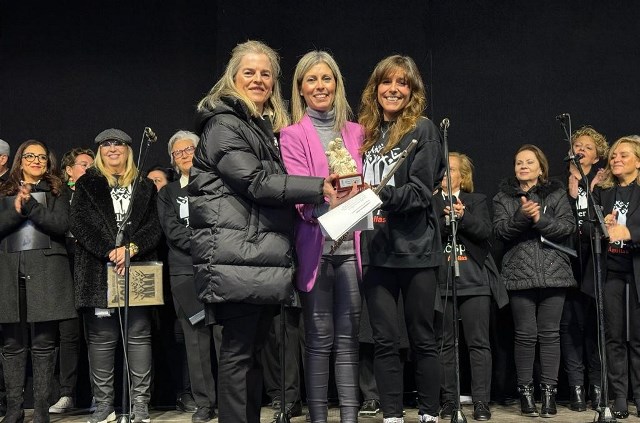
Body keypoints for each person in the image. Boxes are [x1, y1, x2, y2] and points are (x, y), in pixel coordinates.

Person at [187, 40, 352, 423]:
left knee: (252, 358)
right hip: (236, 257)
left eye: (265, 73)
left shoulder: (258, 127)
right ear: (233, 76)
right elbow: (257, 181)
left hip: (255, 258)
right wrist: (318, 187)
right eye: (250, 72)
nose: (258, 79)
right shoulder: (223, 124)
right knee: (238, 357)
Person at [358, 55, 444, 423]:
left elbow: (421, 192)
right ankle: (392, 415)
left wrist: (377, 194)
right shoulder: (366, 133)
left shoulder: (422, 130)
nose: (394, 90)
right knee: (383, 341)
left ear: (413, 91)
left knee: (422, 339)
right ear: (375, 88)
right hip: (376, 251)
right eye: (387, 82)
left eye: (403, 84)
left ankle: (428, 413)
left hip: (416, 251)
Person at [279, 50, 364, 423]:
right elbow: (297, 192)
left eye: (326, 78)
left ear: (336, 84)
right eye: (311, 80)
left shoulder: (357, 131)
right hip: (317, 245)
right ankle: (318, 418)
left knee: (348, 341)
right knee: (318, 341)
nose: (320, 86)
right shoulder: (292, 134)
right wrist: (323, 194)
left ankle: (349, 417)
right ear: (300, 87)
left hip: (352, 248)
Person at [71, 128, 161, 423]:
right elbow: (80, 224)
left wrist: (131, 248)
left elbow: (155, 227)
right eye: (106, 145)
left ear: (128, 149)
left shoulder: (145, 185)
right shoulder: (87, 183)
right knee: (101, 340)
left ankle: (140, 404)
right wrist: (110, 250)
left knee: (137, 337)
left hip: (137, 269)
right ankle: (105, 405)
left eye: (118, 144)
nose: (113, 149)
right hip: (99, 271)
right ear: (99, 151)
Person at [493, 144, 576, 418]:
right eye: (519, 163)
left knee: (550, 334)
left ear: (541, 168)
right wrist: (522, 215)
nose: (523, 166)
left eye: (529, 162)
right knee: (525, 335)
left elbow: (567, 228)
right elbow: (501, 232)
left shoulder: (556, 193)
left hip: (555, 273)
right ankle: (526, 394)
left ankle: (549, 395)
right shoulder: (503, 198)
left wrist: (540, 217)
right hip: (519, 273)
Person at [0, 140, 77, 423]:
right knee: (11, 345)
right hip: (8, 275)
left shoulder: (58, 191)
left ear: (48, 162)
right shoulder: (3, 190)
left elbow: (61, 225)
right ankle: (14, 408)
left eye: (41, 157)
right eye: (30, 156)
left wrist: (31, 205)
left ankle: (42, 408)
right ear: (20, 160)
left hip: (47, 273)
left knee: (45, 344)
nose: (36, 160)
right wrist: (16, 209)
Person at [435, 152, 508, 422]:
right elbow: (427, 236)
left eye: (451, 170)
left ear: (462, 177)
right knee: (445, 344)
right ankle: (449, 401)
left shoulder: (476, 200)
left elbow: (485, 232)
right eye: (442, 170)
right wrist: (444, 221)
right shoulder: (431, 202)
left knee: (478, 343)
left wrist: (463, 216)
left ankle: (481, 402)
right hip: (441, 283)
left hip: (474, 282)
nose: (446, 175)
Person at [157, 130, 218, 423]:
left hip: (219, 268)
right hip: (184, 273)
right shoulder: (167, 194)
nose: (184, 155)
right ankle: (204, 403)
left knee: (225, 337)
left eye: (189, 149)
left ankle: (233, 399)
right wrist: (204, 241)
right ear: (172, 159)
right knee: (195, 342)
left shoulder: (216, 185)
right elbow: (173, 231)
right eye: (177, 152)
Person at [582, 136, 640, 419]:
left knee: (638, 339)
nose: (616, 159)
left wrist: (630, 233)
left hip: (636, 272)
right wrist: (601, 228)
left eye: (624, 155)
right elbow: (584, 230)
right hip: (612, 272)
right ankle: (618, 397)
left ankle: (639, 396)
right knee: (614, 338)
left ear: (638, 162)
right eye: (614, 155)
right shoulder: (604, 195)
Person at [562, 126, 608, 412]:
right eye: (577, 145)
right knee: (570, 329)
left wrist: (590, 191)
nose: (580, 149)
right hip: (567, 264)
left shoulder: (604, 184)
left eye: (587, 147)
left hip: (595, 265)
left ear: (597, 156)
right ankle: (576, 388)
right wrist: (570, 194)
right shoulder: (558, 185)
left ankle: (598, 387)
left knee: (594, 329)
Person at [48, 147, 95, 414]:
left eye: (91, 165)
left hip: (91, 270)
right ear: (68, 169)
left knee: (98, 335)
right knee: (68, 335)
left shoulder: (97, 193)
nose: (89, 169)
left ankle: (100, 395)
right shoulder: (60, 195)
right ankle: (66, 394)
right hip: (65, 269)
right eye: (83, 164)